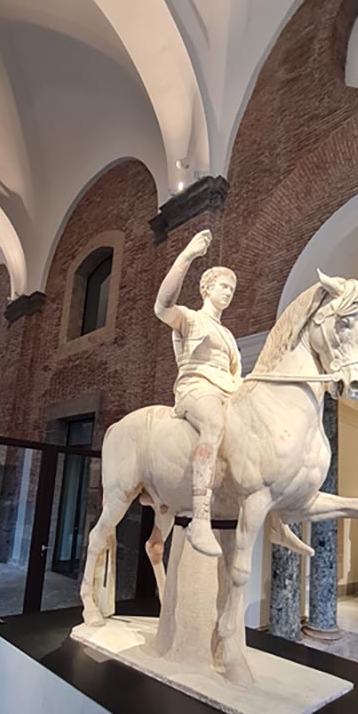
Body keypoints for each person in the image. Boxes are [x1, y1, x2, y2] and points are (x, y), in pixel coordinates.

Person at [154, 229, 241, 556]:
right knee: (214, 425)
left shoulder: (229, 335)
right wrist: (187, 256)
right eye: (223, 286)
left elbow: (237, 375)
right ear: (206, 288)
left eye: (232, 288)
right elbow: (162, 306)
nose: (229, 292)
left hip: (226, 390)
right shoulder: (190, 319)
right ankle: (200, 518)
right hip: (196, 388)